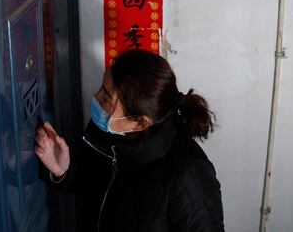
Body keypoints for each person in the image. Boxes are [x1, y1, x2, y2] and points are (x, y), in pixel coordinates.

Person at [34, 49, 224, 232]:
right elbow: (99, 190)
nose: (96, 98)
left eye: (106, 98)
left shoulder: (189, 176)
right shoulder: (111, 133)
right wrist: (64, 170)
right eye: (102, 88)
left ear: (139, 123)